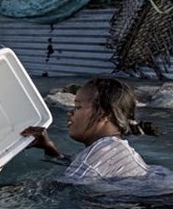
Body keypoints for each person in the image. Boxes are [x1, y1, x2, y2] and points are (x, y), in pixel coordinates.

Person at [22, 77, 159, 180]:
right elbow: (80, 166)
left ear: (104, 115)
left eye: (78, 107)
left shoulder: (104, 152)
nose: (70, 112)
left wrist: (4, 190)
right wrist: (50, 149)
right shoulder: (108, 149)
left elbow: (53, 189)